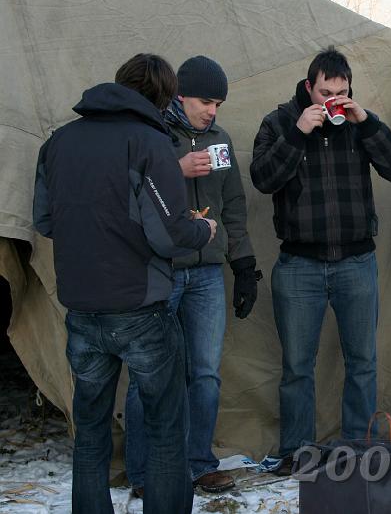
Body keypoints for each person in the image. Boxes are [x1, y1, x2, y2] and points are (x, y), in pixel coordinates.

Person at [32, 53, 216, 514]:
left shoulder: (57, 142)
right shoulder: (150, 143)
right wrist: (202, 231)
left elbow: (45, 219)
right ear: (164, 97)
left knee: (91, 432)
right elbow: (169, 234)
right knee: (165, 428)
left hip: (81, 309)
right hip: (139, 308)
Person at [250, 46, 391, 475]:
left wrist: (368, 122)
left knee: (363, 362)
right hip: (299, 265)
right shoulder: (280, 121)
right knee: (297, 367)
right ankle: (296, 453)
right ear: (308, 87)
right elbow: (263, 179)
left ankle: (357, 450)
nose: (333, 100)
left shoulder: (358, 122)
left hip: (357, 262)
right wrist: (299, 132)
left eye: (341, 92)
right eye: (325, 92)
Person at [124, 56, 260, 495]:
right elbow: (126, 192)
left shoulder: (220, 139)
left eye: (218, 103)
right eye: (206, 101)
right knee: (152, 371)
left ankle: (200, 462)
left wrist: (243, 266)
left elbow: (234, 207)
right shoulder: (152, 134)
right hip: (160, 270)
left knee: (204, 373)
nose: (212, 111)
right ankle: (145, 472)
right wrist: (175, 170)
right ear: (179, 95)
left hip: (205, 275)